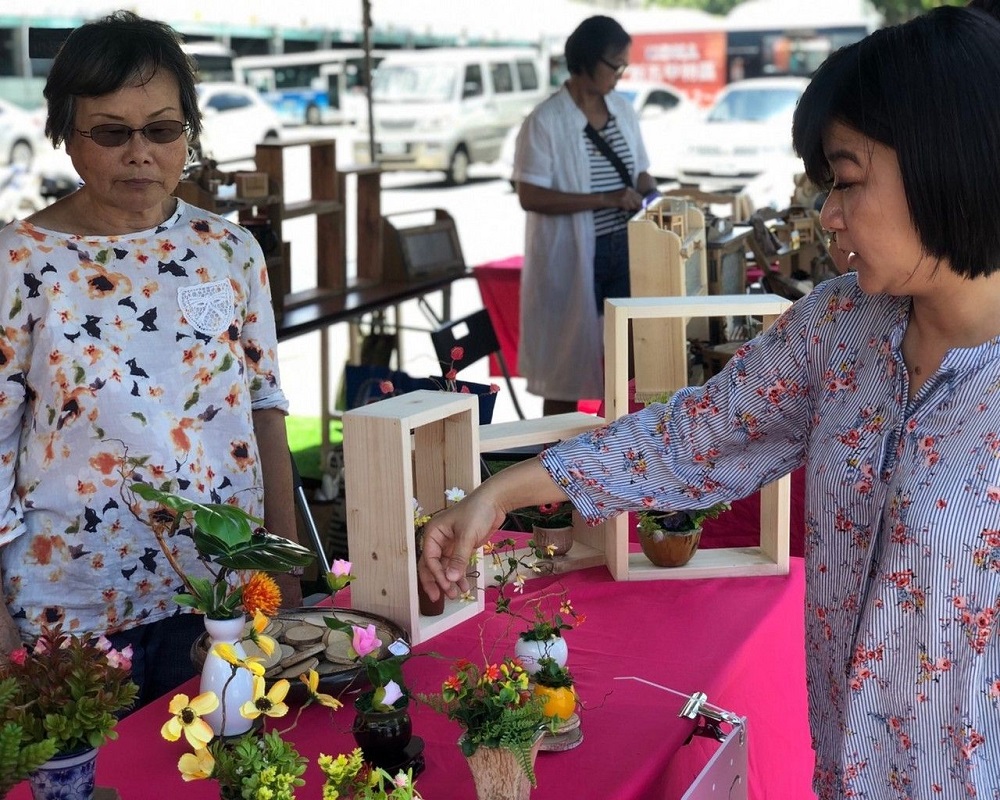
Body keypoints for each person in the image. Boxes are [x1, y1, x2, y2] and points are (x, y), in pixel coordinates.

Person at [420, 8, 1000, 797]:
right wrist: (500, 494)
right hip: (842, 772)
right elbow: (694, 436)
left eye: (849, 179)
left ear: (948, 163)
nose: (828, 213)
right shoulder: (841, 326)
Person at [0, 11, 302, 705]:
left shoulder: (229, 251)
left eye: (162, 130)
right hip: (68, 611)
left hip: (220, 594)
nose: (141, 153)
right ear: (67, 139)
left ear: (188, 134)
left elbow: (265, 410)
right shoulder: (18, 263)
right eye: (112, 132)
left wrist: (285, 574)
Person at [513, 15, 657, 417]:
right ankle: (550, 463)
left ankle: (624, 453)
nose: (620, 75)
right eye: (615, 65)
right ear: (589, 60)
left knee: (632, 362)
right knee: (564, 367)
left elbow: (640, 171)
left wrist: (652, 192)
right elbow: (530, 195)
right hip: (570, 257)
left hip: (625, 250)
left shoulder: (623, 113)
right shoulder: (545, 121)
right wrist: (605, 199)